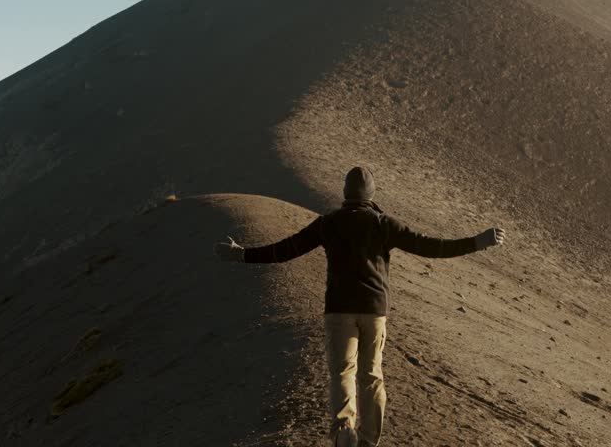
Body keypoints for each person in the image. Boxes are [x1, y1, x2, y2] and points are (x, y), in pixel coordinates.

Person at [215, 166, 506, 447]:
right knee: (372, 375)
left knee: (343, 373)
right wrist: (477, 242)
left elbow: (286, 250)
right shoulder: (383, 224)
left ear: (345, 192)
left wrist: (242, 255)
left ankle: (344, 434)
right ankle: (368, 439)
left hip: (339, 311)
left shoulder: (328, 223)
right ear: (372, 193)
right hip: (375, 311)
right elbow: (430, 246)